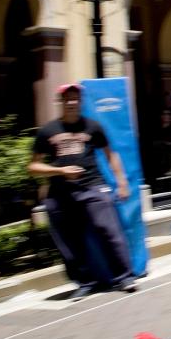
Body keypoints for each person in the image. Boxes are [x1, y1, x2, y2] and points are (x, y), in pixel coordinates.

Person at [27, 84, 136, 299]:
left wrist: (121, 182)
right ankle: (85, 282)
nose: (71, 103)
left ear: (80, 101)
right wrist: (59, 170)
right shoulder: (48, 131)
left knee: (109, 229)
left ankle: (124, 276)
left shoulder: (93, 127)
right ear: (61, 101)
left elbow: (110, 154)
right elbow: (33, 167)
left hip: (92, 185)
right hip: (60, 192)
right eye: (67, 99)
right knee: (68, 240)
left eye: (75, 99)